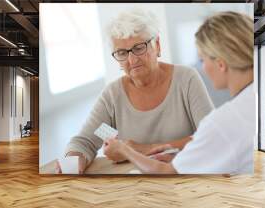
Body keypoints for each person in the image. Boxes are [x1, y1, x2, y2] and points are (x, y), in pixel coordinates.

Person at [57, 9, 214, 174]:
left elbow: (211, 137)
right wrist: (72, 162)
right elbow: (84, 142)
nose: (132, 60)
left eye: (139, 48)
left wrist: (142, 149)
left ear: (157, 45)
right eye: (122, 53)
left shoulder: (186, 79)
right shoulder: (112, 95)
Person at [105, 11, 255, 174]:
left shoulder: (221, 120)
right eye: (122, 53)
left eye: (202, 59)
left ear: (220, 64)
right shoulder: (257, 99)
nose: (132, 60)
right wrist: (185, 157)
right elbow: (89, 135)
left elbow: (166, 173)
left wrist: (124, 150)